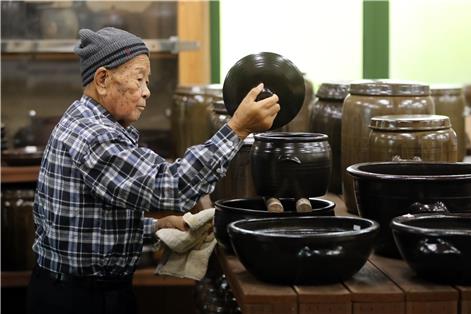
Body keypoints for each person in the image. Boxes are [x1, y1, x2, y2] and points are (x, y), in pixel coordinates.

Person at [26, 27, 280, 314]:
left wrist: (157, 226)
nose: (147, 90)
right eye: (139, 78)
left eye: (147, 80)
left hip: (80, 289)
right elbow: (170, 188)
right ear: (102, 79)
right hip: (78, 301)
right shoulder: (95, 135)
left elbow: (88, 223)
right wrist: (237, 128)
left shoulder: (86, 118)